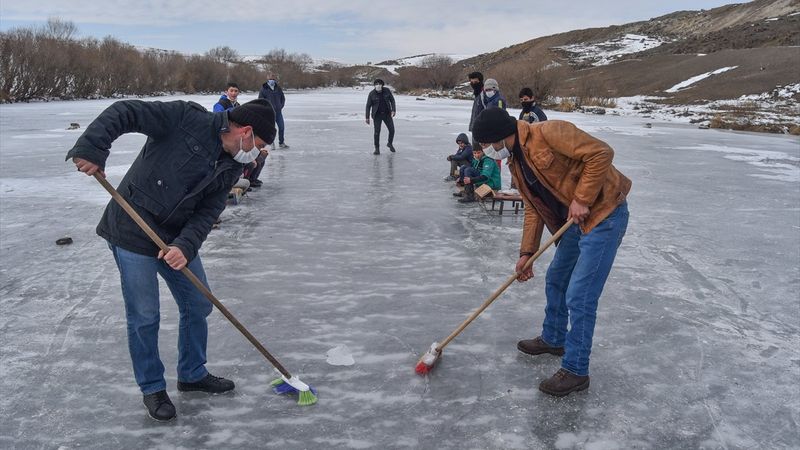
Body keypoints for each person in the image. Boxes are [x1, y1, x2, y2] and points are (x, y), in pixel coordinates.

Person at [66, 98, 276, 421]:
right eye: (258, 145)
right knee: (145, 315)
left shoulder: (233, 163)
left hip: (174, 239)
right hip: (132, 228)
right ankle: (152, 388)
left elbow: (207, 213)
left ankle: (192, 374)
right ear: (245, 131)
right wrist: (93, 147)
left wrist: (184, 247)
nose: (257, 153)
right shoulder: (184, 118)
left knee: (198, 302)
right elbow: (126, 112)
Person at [471, 107, 631, 397]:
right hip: (573, 223)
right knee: (556, 279)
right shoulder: (516, 165)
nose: (485, 150)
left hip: (604, 215)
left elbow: (601, 153)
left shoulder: (549, 132)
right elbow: (533, 208)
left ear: (498, 138)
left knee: (580, 294)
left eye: (484, 144)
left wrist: (582, 199)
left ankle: (576, 370)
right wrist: (527, 252)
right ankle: (554, 338)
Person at [365, 79, 396, 155]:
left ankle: (389, 143)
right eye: (376, 84)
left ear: (382, 85)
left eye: (379, 84)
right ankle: (377, 148)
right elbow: (368, 106)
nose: (378, 85)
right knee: (377, 132)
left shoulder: (387, 91)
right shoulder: (371, 94)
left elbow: (392, 100)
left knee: (392, 130)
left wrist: (393, 110)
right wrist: (367, 117)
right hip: (377, 115)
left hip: (387, 114)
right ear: (374, 85)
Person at [258, 73, 288, 148]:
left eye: (273, 79)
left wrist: (280, 106)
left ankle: (281, 142)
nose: (272, 80)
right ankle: (272, 143)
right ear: (267, 79)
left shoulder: (278, 88)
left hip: (278, 112)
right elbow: (260, 100)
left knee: (281, 127)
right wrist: (266, 109)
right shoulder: (263, 88)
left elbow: (282, 98)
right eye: (270, 79)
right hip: (269, 113)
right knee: (271, 129)